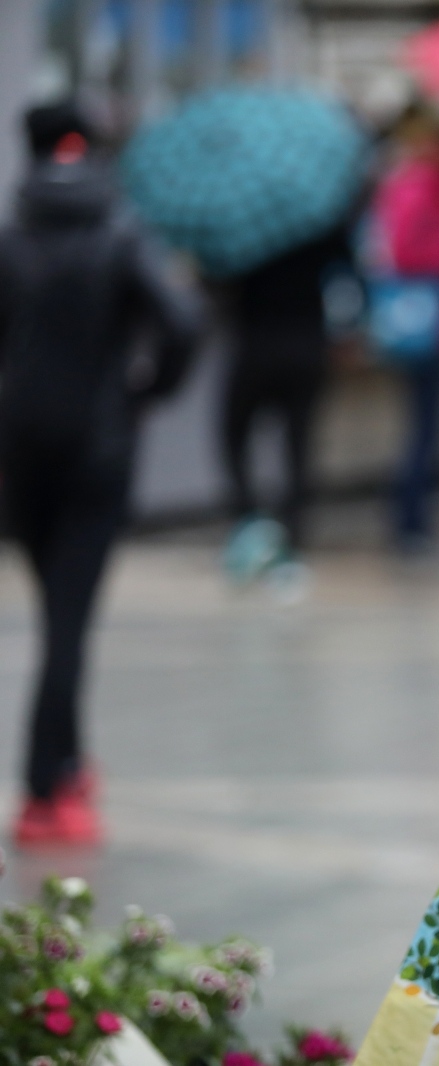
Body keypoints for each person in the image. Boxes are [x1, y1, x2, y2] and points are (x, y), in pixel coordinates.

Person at [0, 102, 202, 845]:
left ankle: (66, 763)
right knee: (67, 623)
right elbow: (182, 323)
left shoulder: (12, 238)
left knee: (60, 612)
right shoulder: (122, 236)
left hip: (22, 456)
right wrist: (145, 394)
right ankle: (42, 789)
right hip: (98, 455)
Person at [220, 226, 352, 585]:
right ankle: (292, 532)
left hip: (256, 345)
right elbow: (346, 271)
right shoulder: (317, 220)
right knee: (297, 444)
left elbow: (221, 279)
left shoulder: (240, 227)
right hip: (306, 345)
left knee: (235, 433)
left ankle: (249, 519)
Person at [369, 119, 439, 553]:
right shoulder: (423, 186)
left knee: (427, 426)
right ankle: (411, 522)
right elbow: (405, 250)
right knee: (423, 427)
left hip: (436, 322)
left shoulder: (435, 185)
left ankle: (415, 518)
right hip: (425, 321)